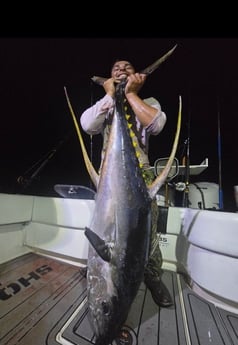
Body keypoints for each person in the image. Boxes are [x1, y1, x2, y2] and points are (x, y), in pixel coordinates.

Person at [80, 60, 173, 308]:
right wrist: (111, 94)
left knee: (148, 234)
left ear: (137, 76)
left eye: (128, 67)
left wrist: (130, 94)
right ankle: (97, 267)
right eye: (116, 68)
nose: (121, 69)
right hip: (110, 177)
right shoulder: (106, 106)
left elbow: (156, 124)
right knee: (105, 228)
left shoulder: (149, 102)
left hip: (139, 178)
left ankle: (152, 277)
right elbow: (88, 125)